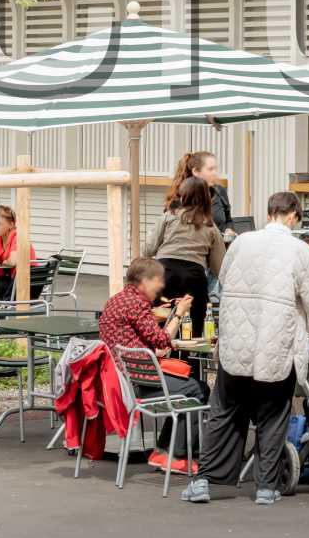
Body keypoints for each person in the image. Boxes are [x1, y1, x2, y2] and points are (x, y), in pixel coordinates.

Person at [183, 191, 309, 507]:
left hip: (237, 341)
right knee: (272, 414)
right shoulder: (300, 251)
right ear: (293, 216)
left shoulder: (241, 242)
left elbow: (224, 277)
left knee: (224, 412)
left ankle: (205, 482)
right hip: (275, 342)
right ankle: (266, 487)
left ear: (269, 213)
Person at [99, 255, 204, 474]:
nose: (162, 285)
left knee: (192, 387)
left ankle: (165, 451)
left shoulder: (116, 300)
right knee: (197, 389)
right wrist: (179, 313)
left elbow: (135, 339)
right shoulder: (138, 304)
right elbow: (163, 339)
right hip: (140, 383)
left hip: (122, 378)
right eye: (158, 280)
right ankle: (175, 455)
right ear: (144, 281)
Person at [144, 176, 225, 339]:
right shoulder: (210, 225)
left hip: (164, 275)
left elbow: (148, 248)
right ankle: (188, 363)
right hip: (193, 280)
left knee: (161, 324)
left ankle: (162, 362)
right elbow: (220, 267)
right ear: (206, 197)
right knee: (190, 331)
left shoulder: (168, 216)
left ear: (183, 194)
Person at [168, 150, 235, 235]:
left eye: (216, 169)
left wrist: (229, 230)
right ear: (196, 171)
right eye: (210, 169)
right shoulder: (181, 195)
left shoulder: (220, 191)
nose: (215, 173)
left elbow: (228, 220)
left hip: (219, 246)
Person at [0, 205, 35, 300]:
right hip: (10, 281)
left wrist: (3, 262)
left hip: (24, 284)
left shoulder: (18, 237)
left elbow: (13, 261)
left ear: (11, 225)